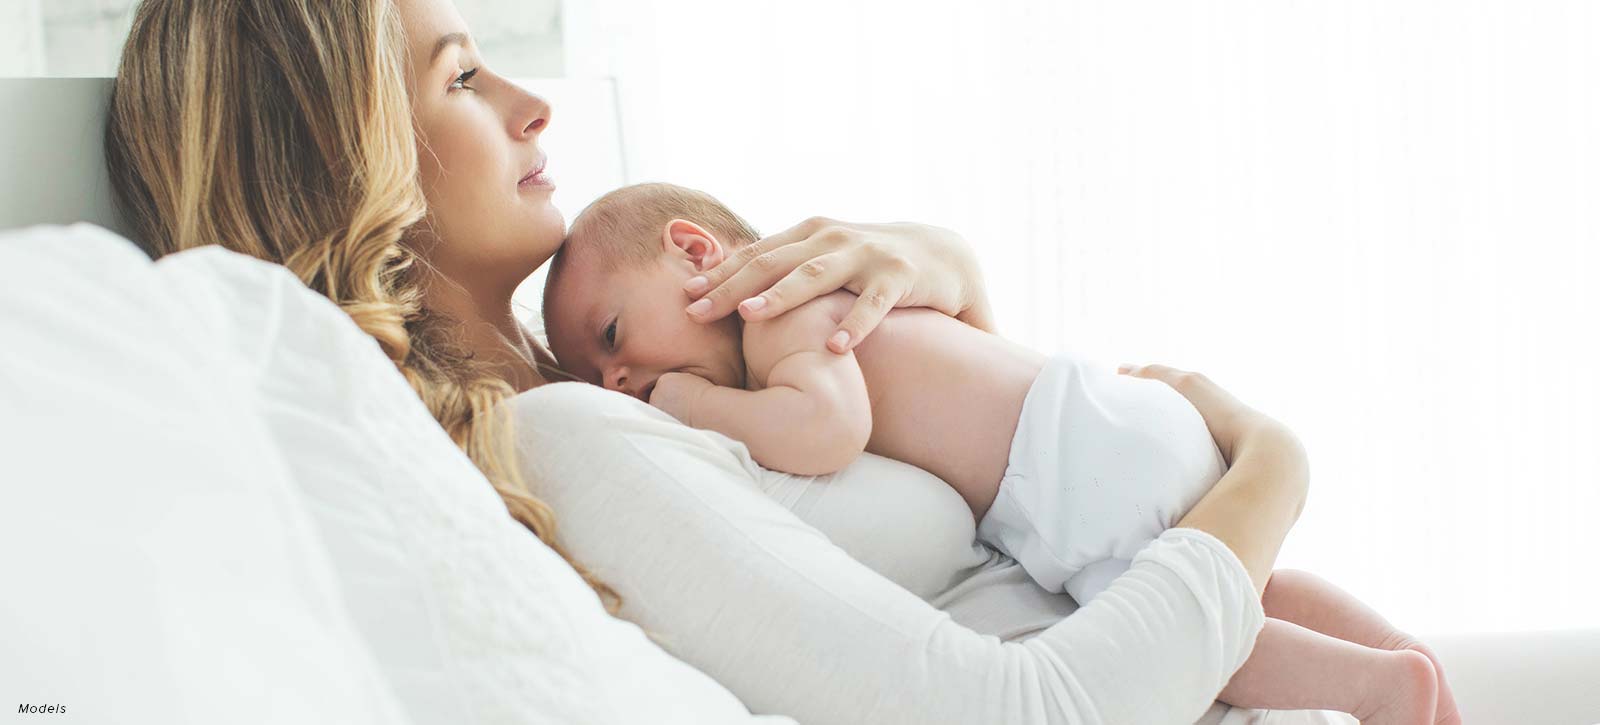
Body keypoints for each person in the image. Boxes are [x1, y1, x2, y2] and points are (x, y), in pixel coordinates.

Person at [101, 0, 1428, 722]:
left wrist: (938, 265)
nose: (530, 102)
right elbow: (1037, 710)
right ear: (351, 165)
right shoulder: (579, 444)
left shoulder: (624, 382)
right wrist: (1271, 464)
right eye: (460, 78)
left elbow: (988, 500)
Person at [541, 182, 1459, 724]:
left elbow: (828, 431)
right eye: (594, 370)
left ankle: (1376, 686)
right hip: (1100, 419)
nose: (618, 377)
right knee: (1246, 581)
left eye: (613, 333)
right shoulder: (837, 274)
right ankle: (1402, 652)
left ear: (695, 250)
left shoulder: (774, 315)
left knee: (1204, 632)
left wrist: (696, 401)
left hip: (1061, 468)